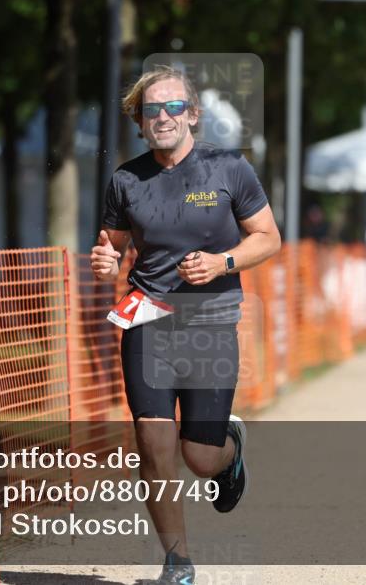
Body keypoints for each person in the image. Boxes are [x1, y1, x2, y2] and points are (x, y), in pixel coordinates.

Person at [91, 65, 281, 585]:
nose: (164, 116)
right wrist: (107, 261)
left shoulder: (228, 168)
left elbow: (268, 237)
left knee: (197, 457)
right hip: (146, 315)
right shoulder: (126, 179)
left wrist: (223, 264)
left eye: (175, 106)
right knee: (153, 445)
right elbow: (113, 246)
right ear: (140, 120)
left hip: (210, 320)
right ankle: (177, 562)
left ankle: (228, 451)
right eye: (153, 109)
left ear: (193, 115)